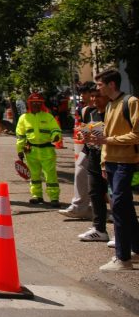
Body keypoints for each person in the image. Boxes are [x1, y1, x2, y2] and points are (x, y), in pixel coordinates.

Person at [88, 69, 139, 272]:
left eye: (100, 85)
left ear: (111, 84)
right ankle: (135, 250)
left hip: (125, 163)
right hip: (111, 163)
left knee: (118, 206)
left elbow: (136, 135)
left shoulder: (131, 102)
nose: (97, 89)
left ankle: (122, 257)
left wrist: (108, 140)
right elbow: (106, 138)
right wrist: (103, 163)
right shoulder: (109, 106)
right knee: (124, 207)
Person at [16, 92, 62, 207]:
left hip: (46, 149)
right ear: (29, 104)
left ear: (42, 104)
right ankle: (37, 196)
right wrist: (20, 150)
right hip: (31, 150)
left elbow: (55, 130)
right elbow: (20, 136)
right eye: (33, 103)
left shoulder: (48, 117)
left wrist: (56, 136)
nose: (36, 105)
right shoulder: (24, 118)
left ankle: (54, 198)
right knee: (34, 174)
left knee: (50, 174)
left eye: (38, 103)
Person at [59, 81, 98, 219]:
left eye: (85, 93)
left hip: (104, 149)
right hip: (89, 148)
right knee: (81, 173)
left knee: (104, 182)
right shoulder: (85, 110)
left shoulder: (106, 108)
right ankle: (80, 207)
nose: (83, 96)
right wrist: (83, 134)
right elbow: (85, 128)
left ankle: (110, 214)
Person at [76, 89, 110, 242]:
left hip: (110, 158)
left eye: (98, 97)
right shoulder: (90, 112)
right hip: (93, 157)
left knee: (114, 196)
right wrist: (83, 135)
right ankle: (99, 229)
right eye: (93, 96)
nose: (94, 99)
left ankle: (121, 234)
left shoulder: (113, 112)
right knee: (95, 193)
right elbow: (85, 132)